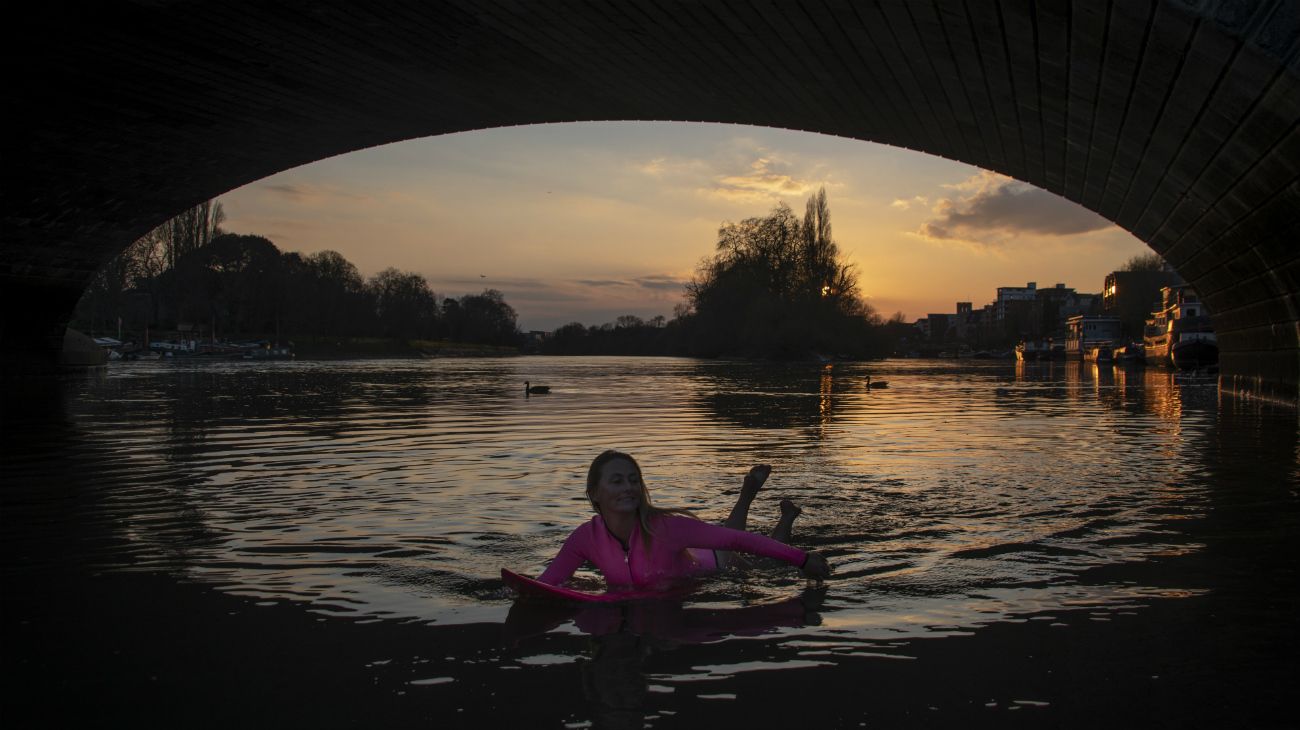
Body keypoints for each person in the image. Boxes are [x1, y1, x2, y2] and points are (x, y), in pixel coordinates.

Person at [537, 450, 831, 589]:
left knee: (768, 567)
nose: (628, 487)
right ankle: (761, 501)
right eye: (617, 481)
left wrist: (803, 560)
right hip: (693, 561)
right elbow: (548, 582)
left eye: (633, 480)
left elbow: (738, 539)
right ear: (595, 494)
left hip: (712, 567)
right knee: (732, 543)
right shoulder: (585, 537)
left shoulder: (665, 527)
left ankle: (771, 508)